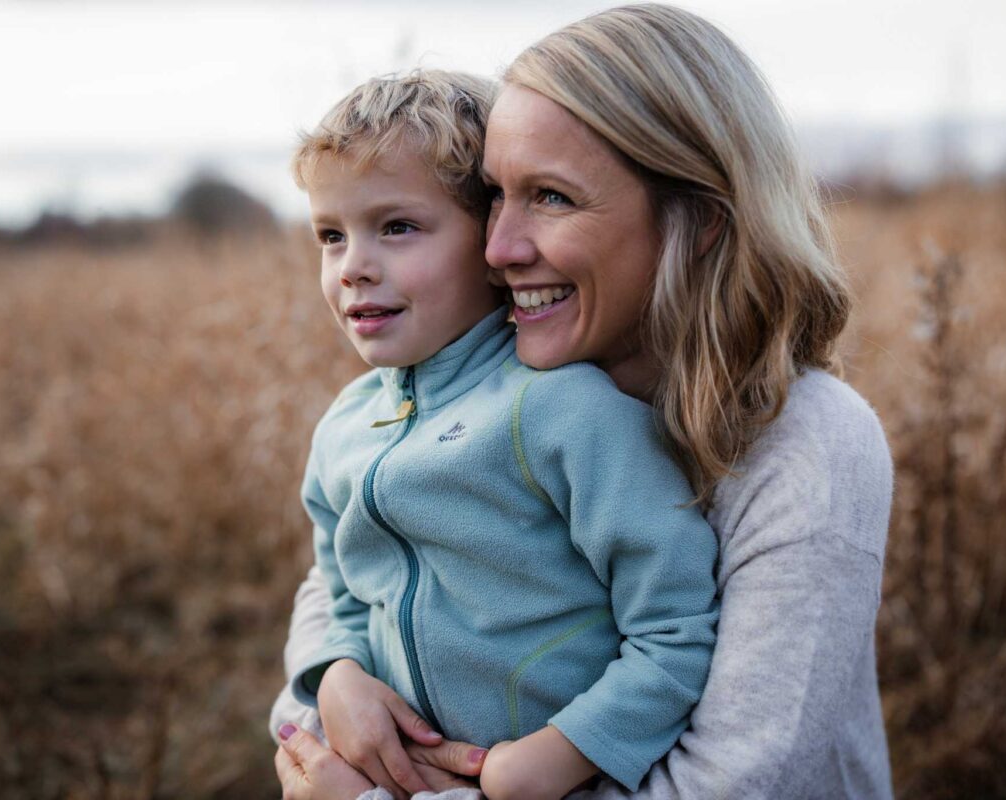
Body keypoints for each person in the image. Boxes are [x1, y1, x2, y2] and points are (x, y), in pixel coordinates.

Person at [273, 5, 894, 799]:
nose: (499, 249)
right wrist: (333, 678)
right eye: (495, 197)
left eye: (553, 198)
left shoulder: (807, 447)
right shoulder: (443, 398)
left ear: (698, 219)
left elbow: (729, 781)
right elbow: (349, 580)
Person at [277, 68, 720, 800]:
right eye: (331, 235)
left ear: (489, 239)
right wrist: (337, 676)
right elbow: (343, 594)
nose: (353, 267)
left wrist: (559, 756)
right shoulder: (345, 431)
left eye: (397, 227)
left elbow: (678, 631)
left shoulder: (565, 412)